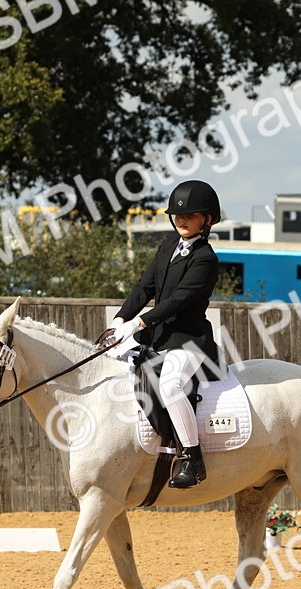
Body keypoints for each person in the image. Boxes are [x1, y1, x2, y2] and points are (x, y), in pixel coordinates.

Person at [102, 179, 223, 489]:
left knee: (170, 386)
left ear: (207, 219)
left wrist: (139, 323)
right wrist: (121, 318)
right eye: (178, 216)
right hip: (157, 337)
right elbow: (146, 287)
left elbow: (177, 300)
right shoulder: (167, 247)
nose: (182, 220)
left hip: (188, 339)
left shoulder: (205, 259)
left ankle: (192, 460)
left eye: (191, 215)